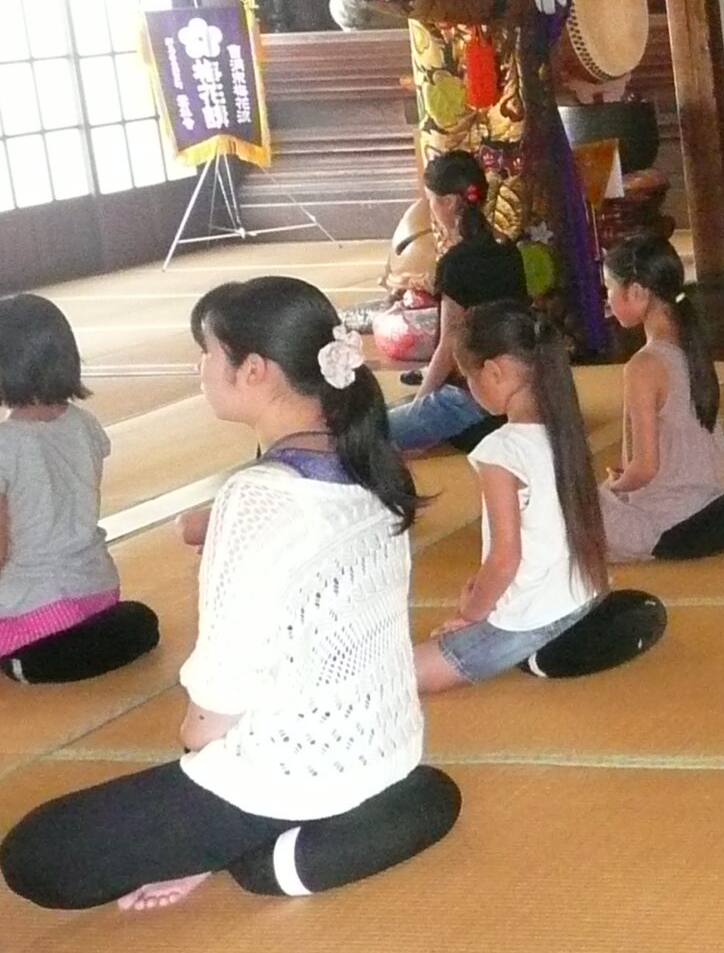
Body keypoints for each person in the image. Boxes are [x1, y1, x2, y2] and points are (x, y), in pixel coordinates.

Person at [0, 278, 449, 912]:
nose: (200, 368)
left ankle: (261, 852)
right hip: (386, 749)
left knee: (34, 856)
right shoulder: (371, 463)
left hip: (287, 767)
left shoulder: (258, 496)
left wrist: (193, 836)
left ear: (255, 371)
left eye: (208, 353)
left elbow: (216, 705)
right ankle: (302, 847)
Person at [415, 302, 607, 692]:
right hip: (583, 598)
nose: (469, 388)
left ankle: (527, 651)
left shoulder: (501, 450)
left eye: (467, 377)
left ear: (494, 371)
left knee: (394, 676)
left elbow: (505, 560)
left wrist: (471, 615)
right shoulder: (565, 430)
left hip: (531, 621)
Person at [0, 295, 159, 684]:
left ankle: (26, 657)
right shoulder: (85, 425)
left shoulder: (6, 445)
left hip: (32, 606)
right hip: (99, 588)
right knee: (140, 620)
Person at [599, 238, 724, 561]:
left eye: (609, 288)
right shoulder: (692, 345)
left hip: (662, 519)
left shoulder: (644, 366)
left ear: (636, 292)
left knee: (564, 511)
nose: (607, 299)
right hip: (708, 498)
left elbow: (646, 468)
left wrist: (616, 487)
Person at [385, 150, 528, 454]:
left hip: (471, 398)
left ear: (449, 202)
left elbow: (451, 343)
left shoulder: (455, 262)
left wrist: (422, 401)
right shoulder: (509, 251)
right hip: (516, 389)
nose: (431, 208)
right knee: (383, 414)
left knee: (369, 437)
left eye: (432, 200)